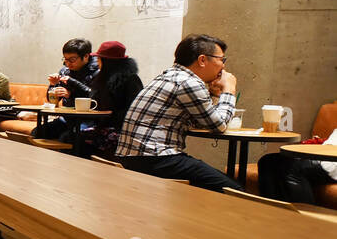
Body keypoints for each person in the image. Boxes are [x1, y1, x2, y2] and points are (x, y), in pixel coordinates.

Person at [114, 34, 243, 190]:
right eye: (221, 60)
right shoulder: (189, 82)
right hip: (155, 158)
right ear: (202, 60)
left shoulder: (169, 76)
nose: (223, 67)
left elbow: (200, 121)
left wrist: (214, 95)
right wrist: (229, 90)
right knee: (233, 191)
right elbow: (219, 126)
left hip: (133, 157)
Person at [78, 41, 144, 157]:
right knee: (71, 136)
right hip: (104, 125)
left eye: (99, 59)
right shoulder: (103, 77)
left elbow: (134, 110)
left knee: (79, 140)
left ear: (107, 62)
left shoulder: (130, 79)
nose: (97, 62)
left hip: (122, 130)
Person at [256, 126, 337, 204]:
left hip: (332, 163)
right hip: (322, 156)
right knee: (267, 160)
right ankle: (271, 209)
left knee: (292, 167)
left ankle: (304, 215)